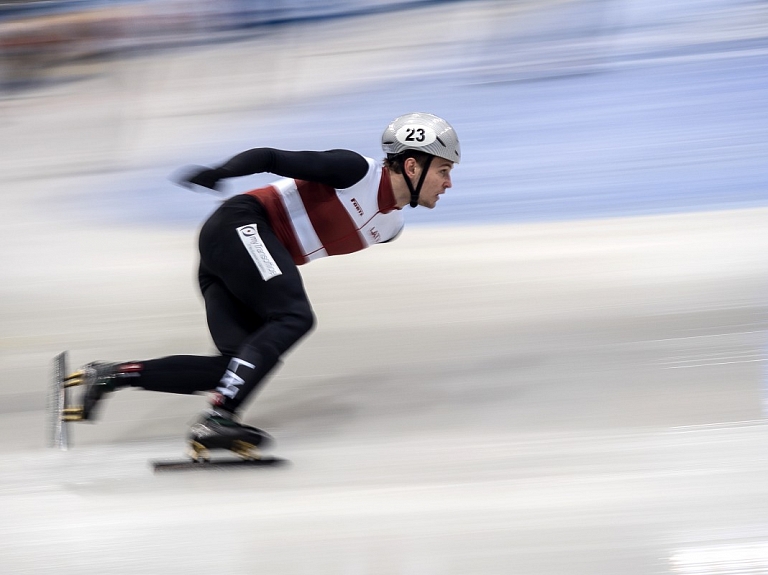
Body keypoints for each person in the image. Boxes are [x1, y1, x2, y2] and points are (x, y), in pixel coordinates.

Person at [67, 112, 460, 460]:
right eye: (444, 170)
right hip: (241, 224)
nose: (448, 183)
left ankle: (111, 375)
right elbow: (272, 158)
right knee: (294, 316)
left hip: (237, 253)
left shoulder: (390, 228)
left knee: (232, 368)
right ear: (412, 166)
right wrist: (220, 172)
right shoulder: (355, 170)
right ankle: (218, 419)